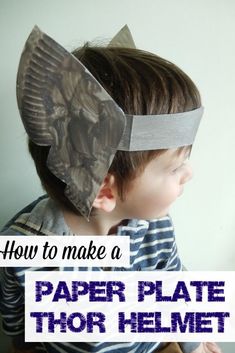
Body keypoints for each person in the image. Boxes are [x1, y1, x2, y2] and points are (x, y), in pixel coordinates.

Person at [0, 26, 222, 353]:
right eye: (175, 167)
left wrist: (192, 341)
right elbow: (16, 322)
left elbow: (172, 282)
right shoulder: (24, 250)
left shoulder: (154, 226)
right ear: (105, 191)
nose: (189, 173)